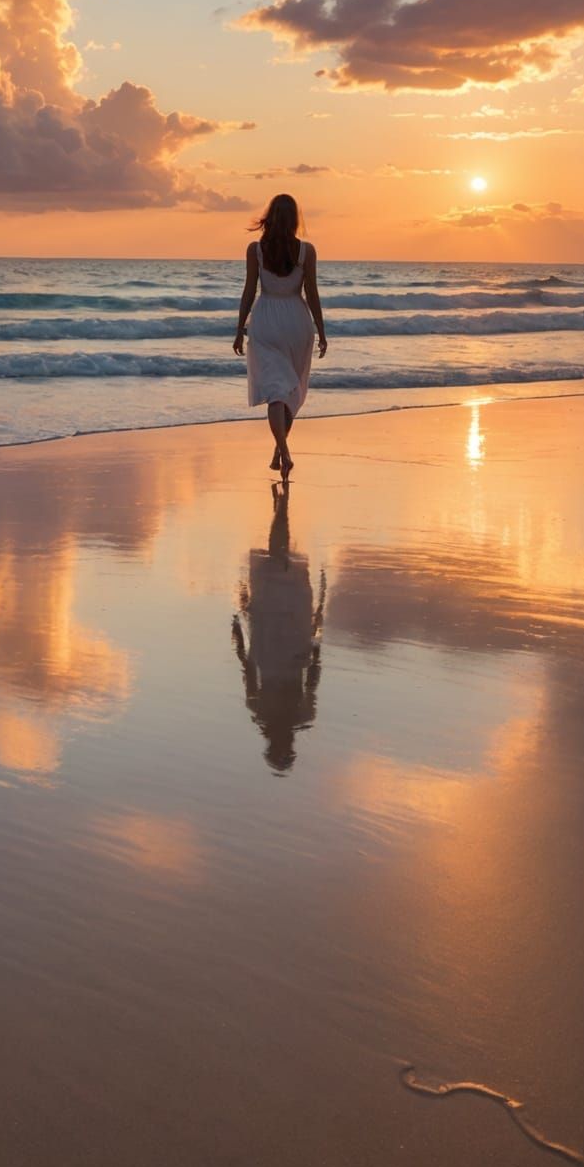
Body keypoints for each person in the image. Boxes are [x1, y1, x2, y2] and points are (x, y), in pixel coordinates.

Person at [231, 484, 325, 772]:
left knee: (279, 567)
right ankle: (281, 510)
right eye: (286, 749)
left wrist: (239, 634)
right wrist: (315, 637)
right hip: (283, 643)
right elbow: (312, 679)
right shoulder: (295, 716)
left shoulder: (276, 714)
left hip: (277, 642)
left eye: (280, 748)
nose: (284, 744)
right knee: (279, 567)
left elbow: (248, 669)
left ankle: (281, 510)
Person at [232, 194, 327, 479]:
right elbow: (312, 294)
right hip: (297, 323)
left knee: (276, 391)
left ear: (270, 217)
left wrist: (239, 328)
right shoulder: (306, 251)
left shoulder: (256, 250)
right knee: (289, 392)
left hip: (265, 323)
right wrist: (321, 330)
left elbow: (249, 291)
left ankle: (282, 451)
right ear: (295, 219)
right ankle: (280, 450)